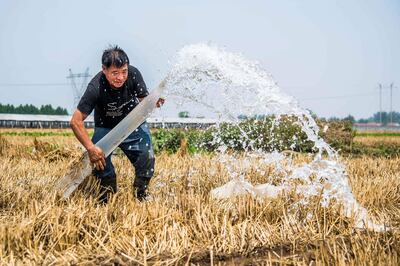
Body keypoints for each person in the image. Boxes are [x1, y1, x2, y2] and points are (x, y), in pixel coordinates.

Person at [70, 45, 164, 203]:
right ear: (104, 70)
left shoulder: (134, 75)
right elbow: (75, 121)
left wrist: (153, 102)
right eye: (115, 73)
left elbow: (143, 100)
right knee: (100, 165)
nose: (120, 77)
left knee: (147, 157)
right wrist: (91, 149)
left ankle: (141, 194)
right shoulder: (95, 87)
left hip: (131, 123)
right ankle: (107, 197)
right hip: (105, 127)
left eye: (124, 71)